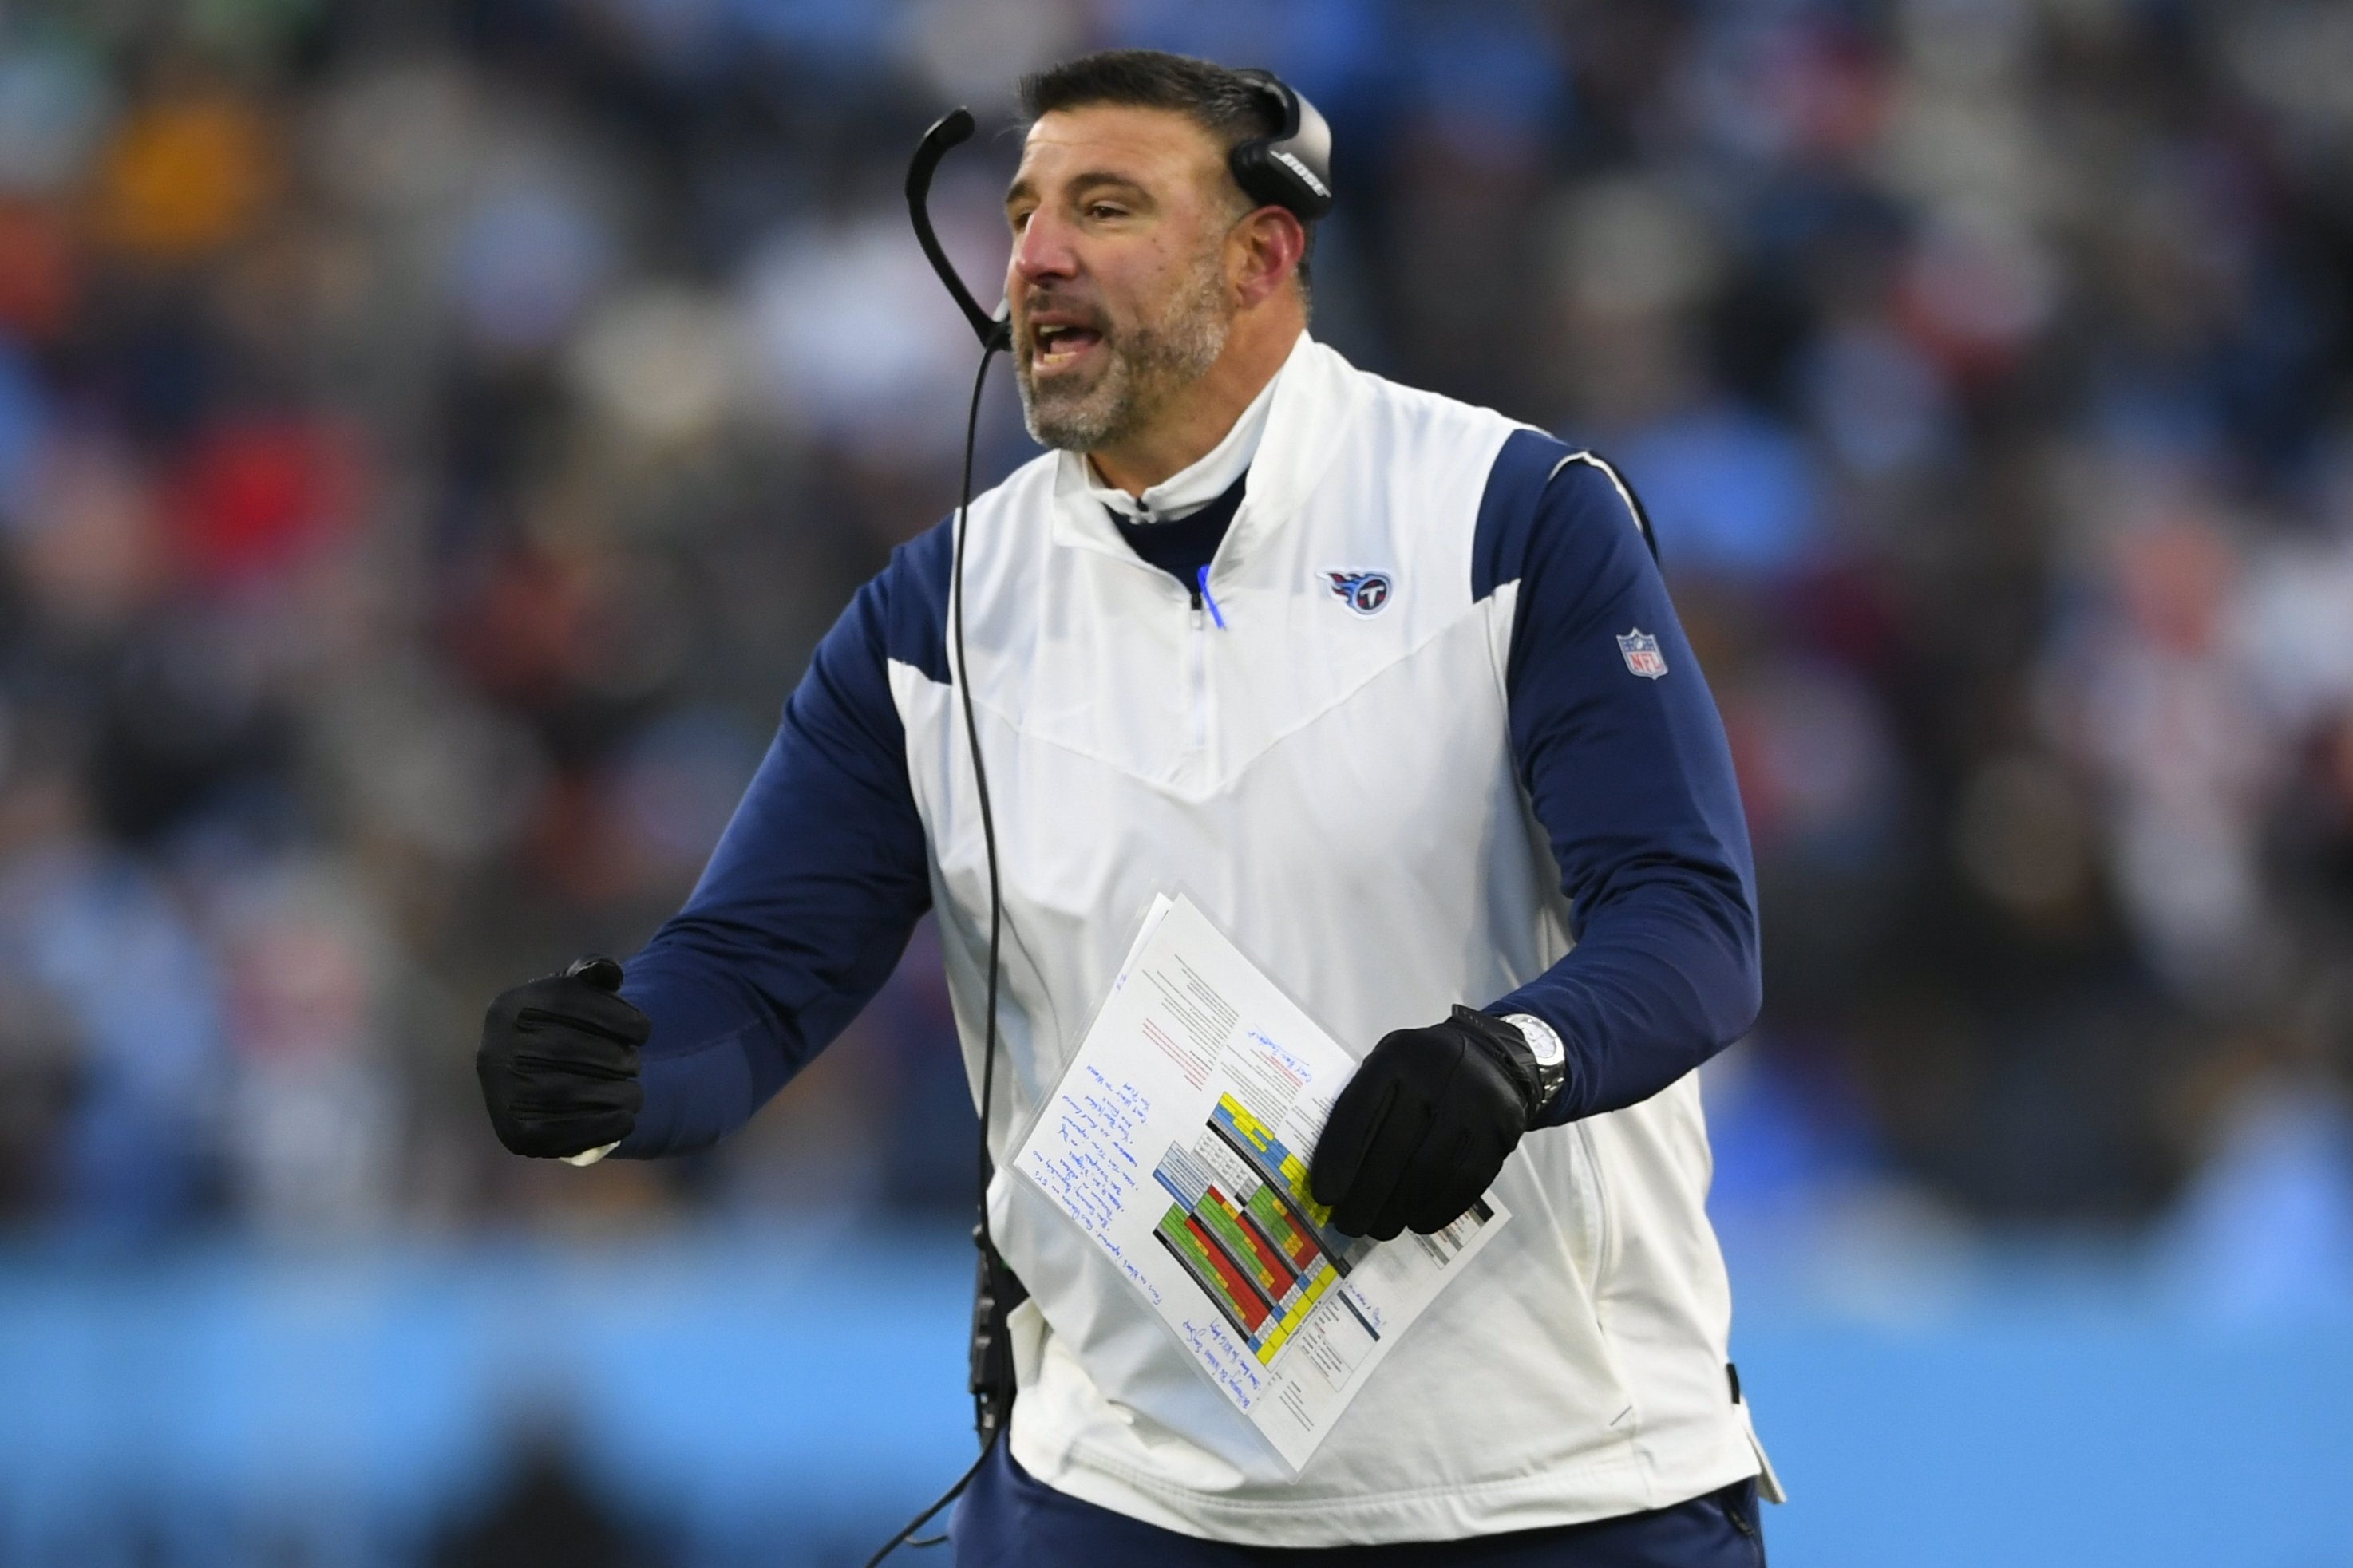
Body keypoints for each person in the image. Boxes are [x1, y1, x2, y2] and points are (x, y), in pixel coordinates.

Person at [476, 49, 1777, 1567]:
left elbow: (1693, 920)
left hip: (1556, 1485)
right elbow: (755, 981)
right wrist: (608, 1076)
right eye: (1023, 211)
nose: (1036, 254)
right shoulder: (936, 610)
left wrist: (1513, 1056)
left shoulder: (1511, 514)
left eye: (1106, 206)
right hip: (1120, 1497)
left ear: (1265, 253)